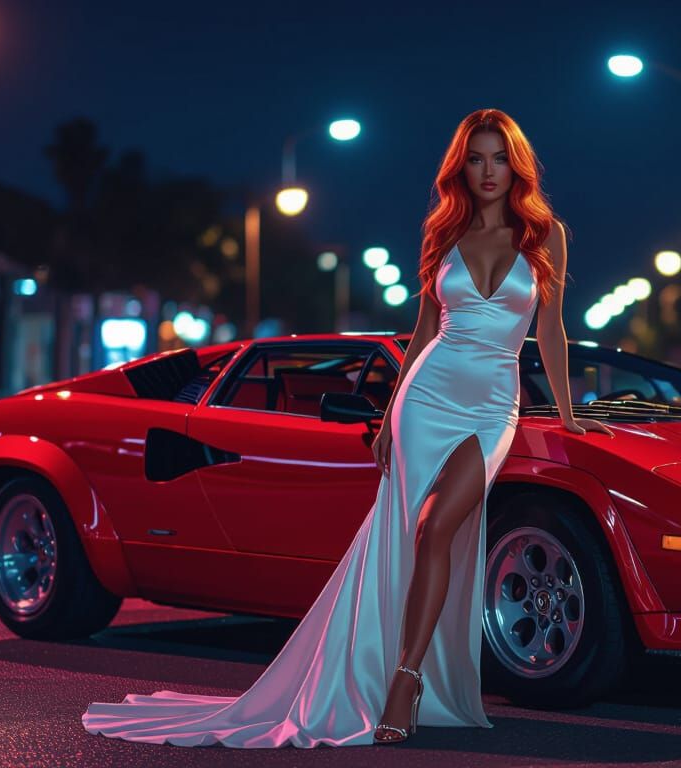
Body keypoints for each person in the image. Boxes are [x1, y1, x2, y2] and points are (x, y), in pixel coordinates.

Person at [81, 107, 613, 749]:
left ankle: (409, 677)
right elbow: (422, 333)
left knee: (436, 524)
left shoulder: (546, 235)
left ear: (516, 164)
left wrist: (565, 410)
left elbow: (549, 331)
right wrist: (391, 413)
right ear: (461, 167)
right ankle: (403, 679)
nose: (487, 171)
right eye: (475, 158)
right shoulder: (443, 235)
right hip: (428, 397)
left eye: (498, 157)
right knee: (413, 531)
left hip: (493, 403)